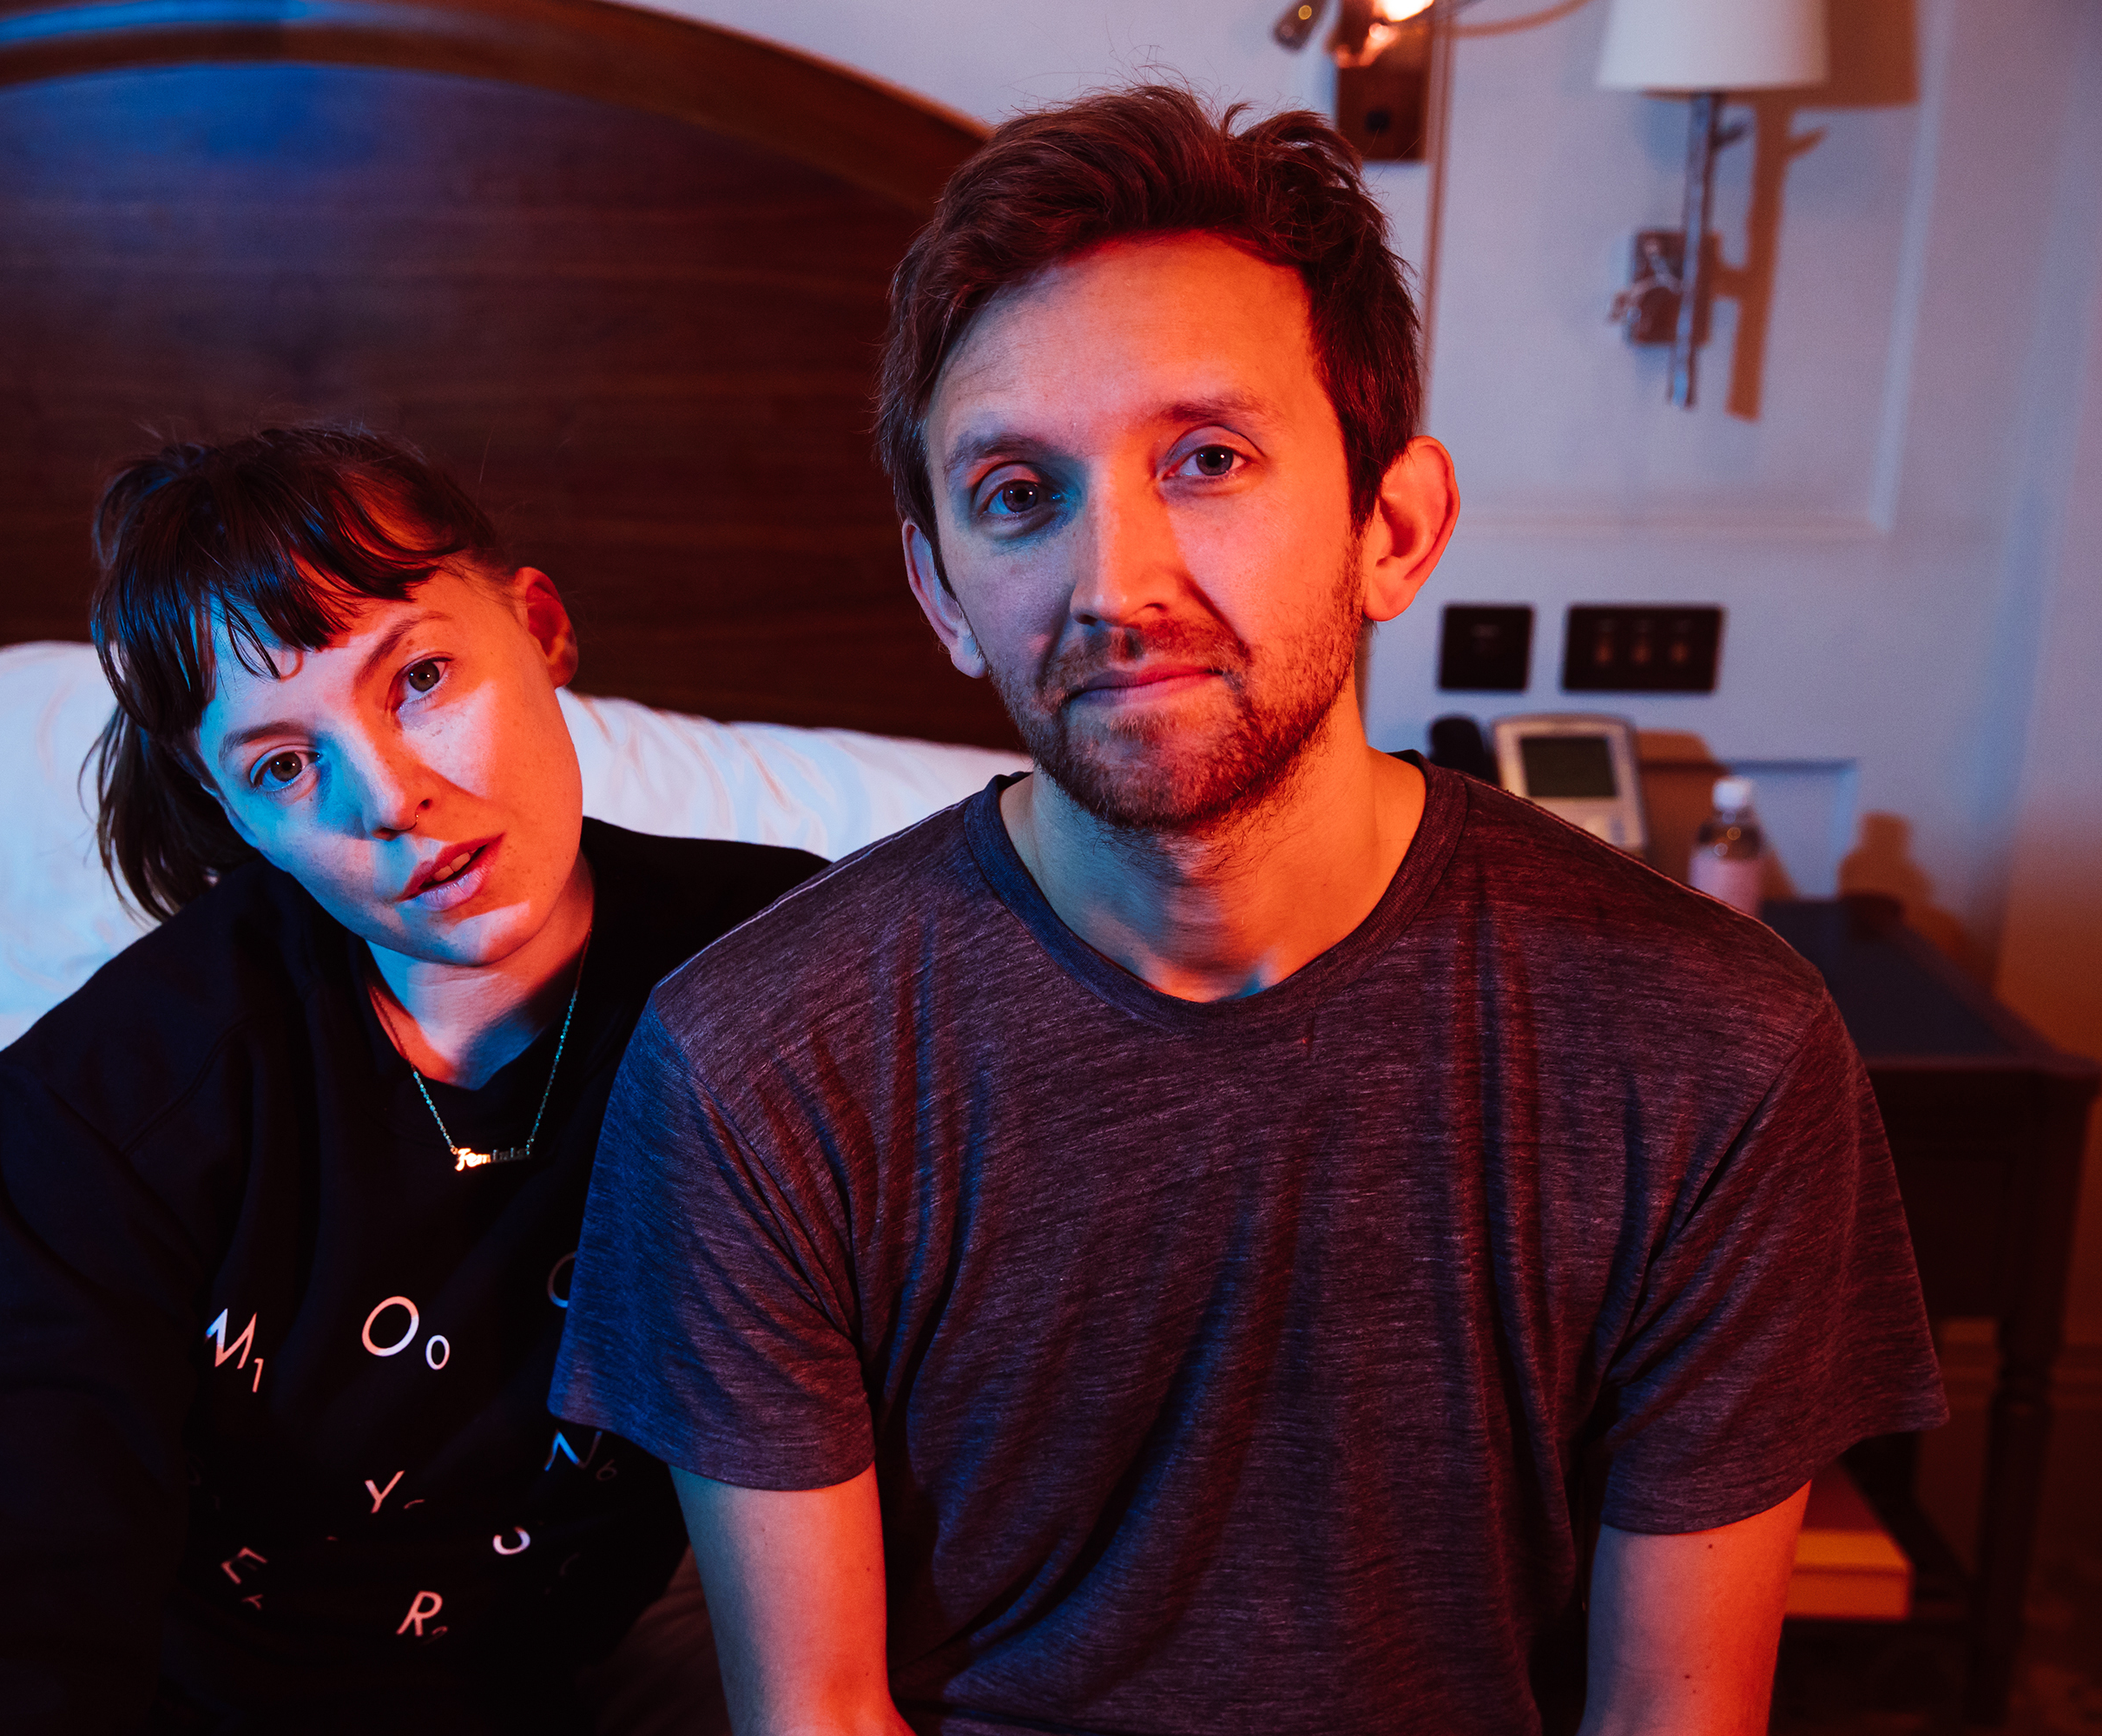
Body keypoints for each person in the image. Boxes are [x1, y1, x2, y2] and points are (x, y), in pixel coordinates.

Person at [549, 89, 1946, 1735]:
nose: (1116, 585)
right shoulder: (755, 1069)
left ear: (1393, 527)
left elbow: (1672, 1720)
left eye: (1207, 460)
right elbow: (821, 1717)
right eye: (1018, 492)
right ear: (940, 591)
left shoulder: (1717, 1051)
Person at [0, 426, 823, 1733]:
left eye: (421, 677)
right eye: (284, 766)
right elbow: (23, 1635)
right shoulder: (111, 1107)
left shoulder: (785, 979)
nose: (392, 797)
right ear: (230, 813)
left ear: (540, 627)